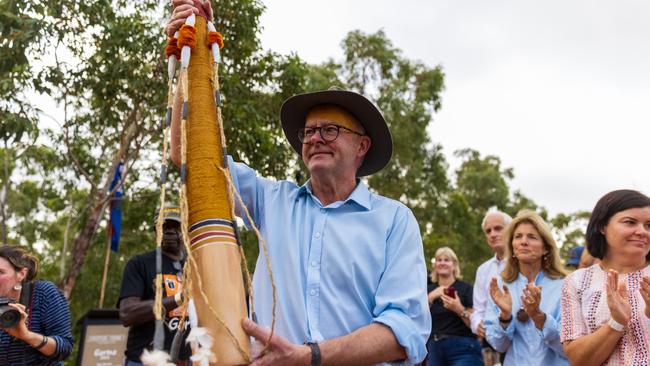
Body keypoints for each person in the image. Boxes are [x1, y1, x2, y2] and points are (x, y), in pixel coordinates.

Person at [167, 2, 431, 364]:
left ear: (362, 146)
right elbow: (192, 158)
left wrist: (310, 357)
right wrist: (194, 51)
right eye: (309, 131)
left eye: (330, 129)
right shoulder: (271, 200)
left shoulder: (395, 221)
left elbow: (405, 332)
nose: (315, 138)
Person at [561, 189, 650, 365]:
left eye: (649, 225)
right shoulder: (577, 282)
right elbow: (579, 360)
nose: (642, 231)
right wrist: (616, 323)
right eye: (630, 222)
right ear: (602, 226)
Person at [484, 210, 569, 366]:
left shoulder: (565, 286)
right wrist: (505, 317)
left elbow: (569, 348)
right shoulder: (501, 288)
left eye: (532, 237)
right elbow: (498, 345)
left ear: (545, 248)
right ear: (512, 246)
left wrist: (539, 318)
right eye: (518, 237)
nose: (523, 242)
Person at [118, 205, 191, 366]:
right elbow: (127, 313)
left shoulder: (194, 268)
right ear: (155, 232)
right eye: (164, 226)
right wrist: (179, 298)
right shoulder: (140, 264)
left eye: (176, 227)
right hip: (145, 361)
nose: (170, 231)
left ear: (185, 230)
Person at [0, 245, 74, 365]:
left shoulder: (44, 293)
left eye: (0, 272)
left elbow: (65, 347)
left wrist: (27, 336)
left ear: (21, 274)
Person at [426, 247, 482, 366]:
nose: (442, 263)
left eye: (446, 260)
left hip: (464, 347)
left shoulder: (466, 289)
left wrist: (459, 308)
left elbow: (476, 325)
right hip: (434, 348)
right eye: (439, 260)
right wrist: (430, 297)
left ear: (454, 265)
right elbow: (418, 317)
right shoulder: (428, 290)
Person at [470, 209, 511, 366]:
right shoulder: (483, 270)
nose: (492, 234)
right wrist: (477, 323)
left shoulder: (524, 264)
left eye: (498, 228)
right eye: (488, 231)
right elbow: (478, 308)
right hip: (491, 341)